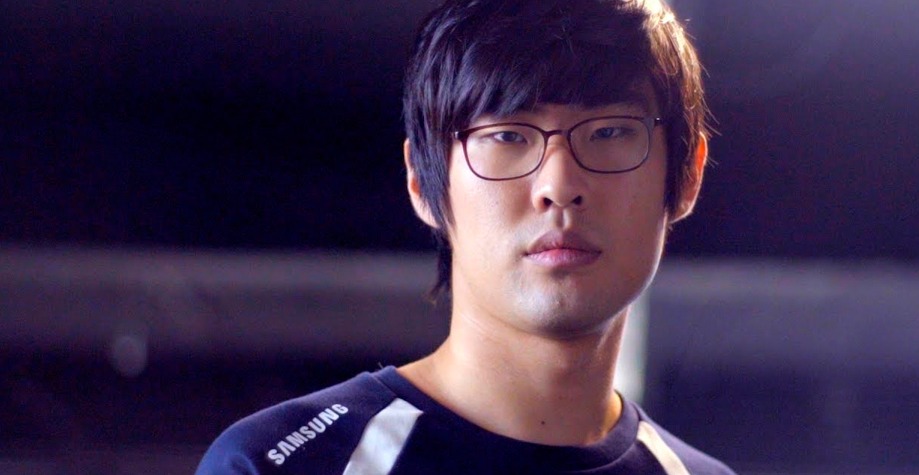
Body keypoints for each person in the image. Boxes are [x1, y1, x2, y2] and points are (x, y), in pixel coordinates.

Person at [197, 0, 735, 473]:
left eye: (610, 132)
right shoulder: (285, 464)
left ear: (688, 175)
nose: (559, 185)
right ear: (421, 180)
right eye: (507, 135)